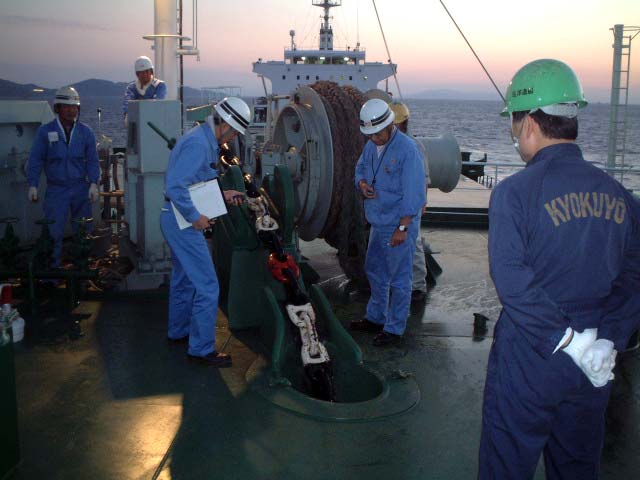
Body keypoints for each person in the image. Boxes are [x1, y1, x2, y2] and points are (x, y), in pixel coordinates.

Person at [478, 59, 640, 479]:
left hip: (532, 353)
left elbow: (512, 281)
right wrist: (607, 341)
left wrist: (567, 341)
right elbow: (635, 274)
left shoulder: (513, 195)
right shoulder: (621, 196)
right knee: (576, 466)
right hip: (594, 362)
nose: (515, 134)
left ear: (530, 122)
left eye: (515, 123)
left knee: (506, 465)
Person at [161, 97, 250, 367]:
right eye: (234, 131)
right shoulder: (199, 145)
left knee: (184, 279)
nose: (233, 136)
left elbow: (195, 184)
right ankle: (201, 350)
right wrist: (196, 217)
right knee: (208, 286)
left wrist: (224, 194)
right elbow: (175, 186)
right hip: (183, 222)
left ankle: (178, 332)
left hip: (173, 219)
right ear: (223, 123)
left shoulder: (202, 139)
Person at [351, 99, 426, 346]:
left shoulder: (408, 150)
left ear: (391, 124)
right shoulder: (371, 146)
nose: (375, 138)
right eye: (370, 134)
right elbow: (360, 168)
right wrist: (362, 184)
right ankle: (376, 317)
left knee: (400, 278)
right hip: (378, 221)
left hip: (398, 225)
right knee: (376, 271)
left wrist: (403, 228)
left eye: (379, 133)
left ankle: (394, 329)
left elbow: (415, 194)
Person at [27, 86, 100, 267]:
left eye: (74, 106)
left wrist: (93, 183)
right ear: (57, 108)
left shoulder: (86, 132)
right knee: (53, 232)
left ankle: (82, 271)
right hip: (56, 189)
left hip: (80, 188)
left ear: (78, 109)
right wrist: (33, 184)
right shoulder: (45, 132)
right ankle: (53, 275)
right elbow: (36, 159)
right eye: (66, 106)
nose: (71, 110)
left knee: (83, 232)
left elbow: (92, 160)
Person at [389, 101, 429, 303]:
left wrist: (422, 202)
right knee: (393, 242)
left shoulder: (414, 147)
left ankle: (418, 287)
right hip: (392, 204)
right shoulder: (387, 148)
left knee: (412, 243)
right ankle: (398, 283)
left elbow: (423, 178)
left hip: (410, 204)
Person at [122, 55, 167, 120]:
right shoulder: (132, 88)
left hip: (154, 122)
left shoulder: (159, 85)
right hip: (137, 123)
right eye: (141, 72)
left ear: (151, 72)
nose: (145, 74)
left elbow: (157, 104)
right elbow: (127, 104)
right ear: (137, 74)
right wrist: (127, 115)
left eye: (147, 71)